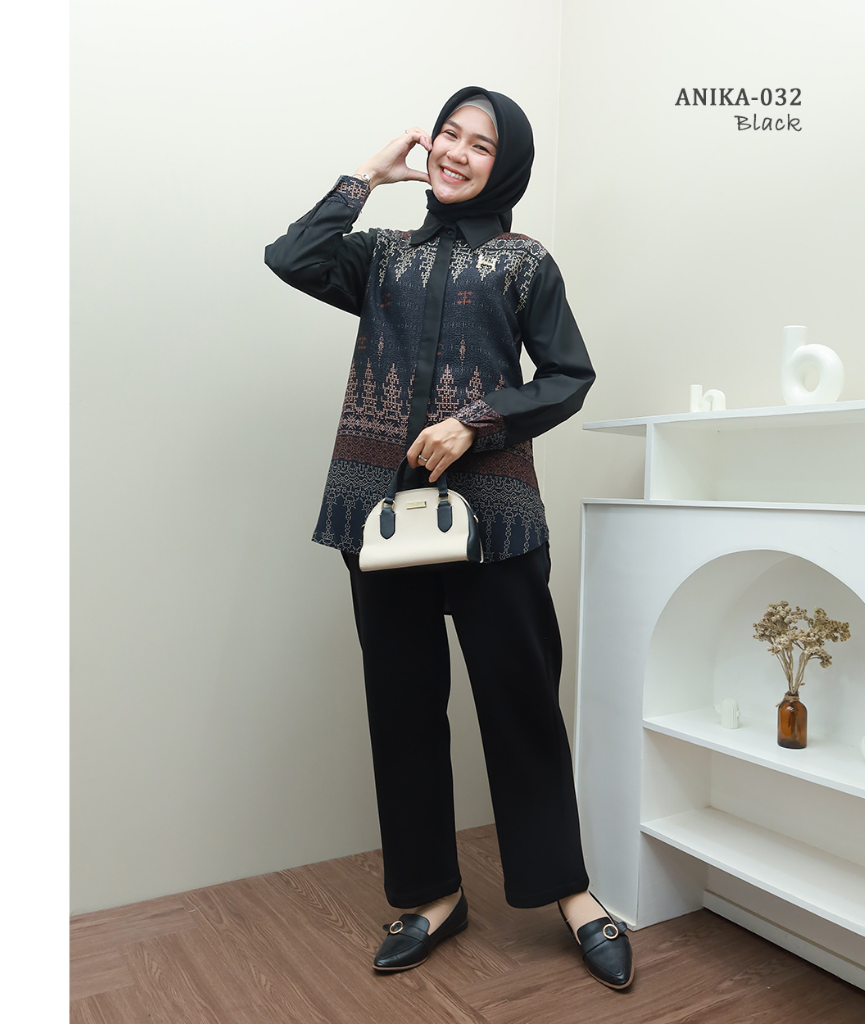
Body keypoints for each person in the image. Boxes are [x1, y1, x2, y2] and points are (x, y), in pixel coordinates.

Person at [264, 87, 633, 990]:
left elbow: (568, 375)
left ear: (507, 166)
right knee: (402, 707)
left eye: (481, 144)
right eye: (448, 135)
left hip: (492, 517)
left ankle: (570, 892)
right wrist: (368, 175)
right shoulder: (380, 256)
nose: (456, 153)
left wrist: (476, 421)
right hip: (380, 513)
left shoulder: (523, 261)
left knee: (521, 706)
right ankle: (431, 895)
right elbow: (291, 256)